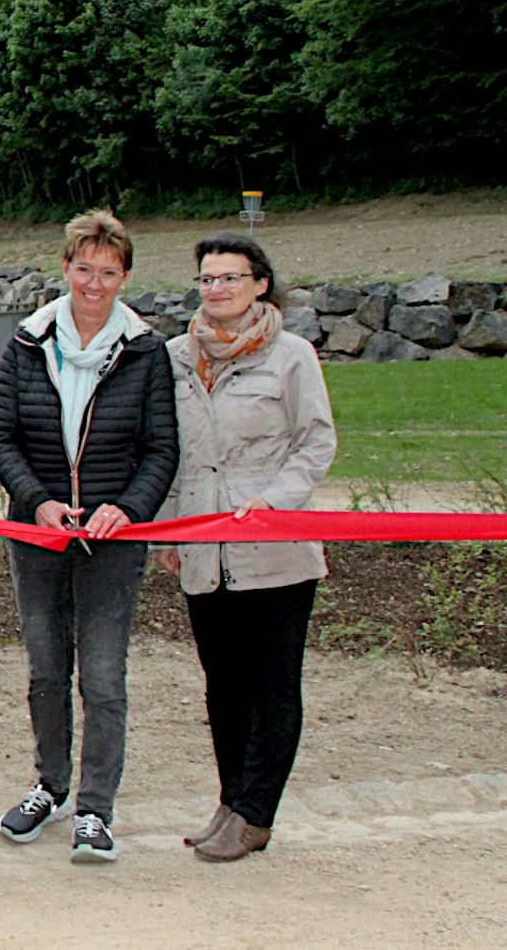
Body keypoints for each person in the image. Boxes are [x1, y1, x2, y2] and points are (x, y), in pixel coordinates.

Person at [0, 208, 178, 863]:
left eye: (109, 272)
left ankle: (95, 809)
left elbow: (160, 449)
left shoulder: (144, 350)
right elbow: (0, 436)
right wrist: (35, 501)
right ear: (65, 268)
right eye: (84, 269)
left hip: (110, 540)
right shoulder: (28, 341)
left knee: (101, 675)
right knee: (45, 668)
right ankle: (51, 785)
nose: (94, 283)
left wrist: (126, 508)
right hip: (38, 534)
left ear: (125, 277)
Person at [156, 233, 336, 862]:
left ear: (260, 284)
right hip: (203, 546)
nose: (218, 289)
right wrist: (169, 531)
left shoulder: (291, 357)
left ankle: (257, 813)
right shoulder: (177, 357)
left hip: (273, 548)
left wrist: (272, 503)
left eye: (231, 277)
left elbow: (316, 442)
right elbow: (170, 452)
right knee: (222, 685)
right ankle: (231, 800)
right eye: (208, 278)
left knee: (272, 685)